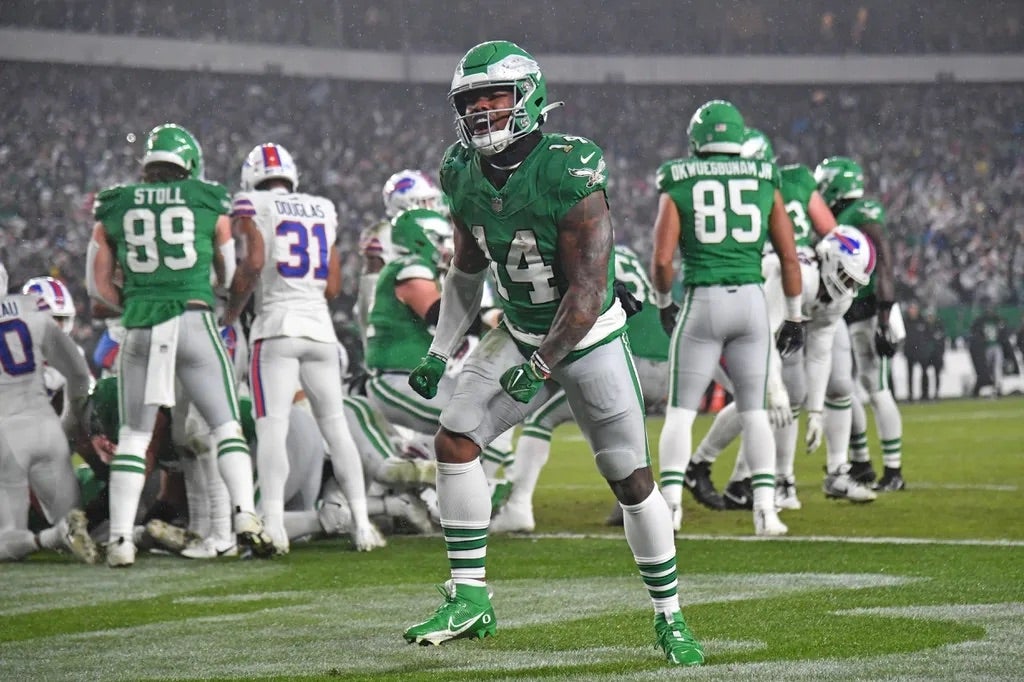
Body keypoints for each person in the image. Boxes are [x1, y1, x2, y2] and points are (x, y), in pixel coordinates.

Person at [403, 41, 704, 666]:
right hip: (517, 324)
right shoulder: (459, 171)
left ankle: (669, 616)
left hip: (587, 336)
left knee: (629, 479)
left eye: (496, 97)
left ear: (530, 98)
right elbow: (463, 269)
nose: (483, 112)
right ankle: (470, 595)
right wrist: (440, 347)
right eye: (471, 101)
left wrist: (539, 366)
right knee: (454, 440)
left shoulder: (570, 169)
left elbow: (589, 293)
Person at [87, 123, 272, 566]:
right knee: (225, 426)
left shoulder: (115, 202)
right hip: (194, 319)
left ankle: (119, 541)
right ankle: (246, 513)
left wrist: (135, 303)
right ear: (190, 164)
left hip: (140, 325)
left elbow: (96, 290)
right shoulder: (208, 198)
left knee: (133, 437)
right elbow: (229, 274)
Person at [221, 142, 383, 555]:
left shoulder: (250, 202)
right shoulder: (321, 207)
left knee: (271, 427)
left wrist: (232, 308)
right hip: (320, 331)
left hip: (276, 326)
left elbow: (254, 262)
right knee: (336, 427)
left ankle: (274, 525)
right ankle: (362, 525)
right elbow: (332, 286)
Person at [653, 101, 804, 537]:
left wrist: (664, 301)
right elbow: (789, 257)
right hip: (753, 302)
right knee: (754, 412)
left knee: (681, 413)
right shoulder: (764, 177)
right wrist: (793, 315)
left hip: (705, 298)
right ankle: (765, 512)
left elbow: (663, 260)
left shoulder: (678, 177)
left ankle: (672, 508)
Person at [489, 243, 670, 533]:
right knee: (626, 429)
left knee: (539, 418)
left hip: (627, 355)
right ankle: (638, 502)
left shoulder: (577, 253)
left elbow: (574, 312)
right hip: (663, 362)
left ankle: (518, 506)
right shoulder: (624, 253)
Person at [814, 156, 905, 492]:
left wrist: (884, 315)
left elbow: (884, 259)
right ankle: (862, 462)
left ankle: (894, 471)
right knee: (843, 387)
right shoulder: (837, 216)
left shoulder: (861, 212)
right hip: (850, 308)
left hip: (871, 309)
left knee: (875, 387)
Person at [0, 261, 98, 564]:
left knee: (9, 540)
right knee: (75, 521)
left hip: (9, 436)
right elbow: (81, 378)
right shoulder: (34, 319)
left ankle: (49, 537)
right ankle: (131, 534)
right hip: (47, 431)